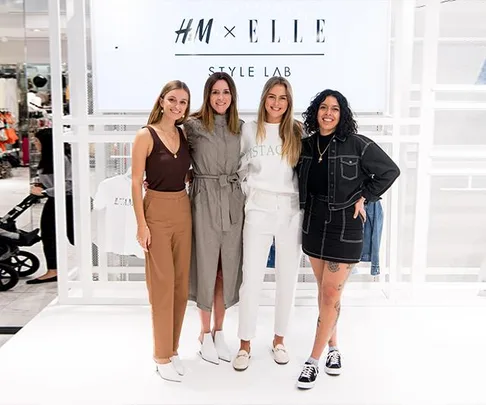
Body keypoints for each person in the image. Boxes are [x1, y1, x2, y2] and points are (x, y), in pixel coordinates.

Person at [295, 89, 400, 389]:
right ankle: (333, 348)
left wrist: (365, 196)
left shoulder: (357, 144)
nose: (328, 113)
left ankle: (312, 361)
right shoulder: (305, 145)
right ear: (315, 112)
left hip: (346, 225)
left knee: (330, 295)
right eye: (323, 107)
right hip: (314, 223)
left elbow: (390, 171)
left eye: (335, 109)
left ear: (342, 116)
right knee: (326, 292)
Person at [233, 77, 303, 371]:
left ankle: (279, 339)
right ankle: (245, 343)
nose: (277, 103)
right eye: (272, 97)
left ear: (289, 102)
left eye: (283, 98)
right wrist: (250, 193)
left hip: (290, 209)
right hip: (259, 209)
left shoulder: (297, 131)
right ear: (264, 99)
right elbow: (238, 167)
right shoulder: (249, 129)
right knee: (252, 278)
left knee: (287, 278)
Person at [131, 80, 191, 383]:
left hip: (184, 209)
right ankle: (160, 354)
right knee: (162, 285)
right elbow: (134, 182)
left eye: (182, 102)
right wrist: (142, 225)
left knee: (181, 286)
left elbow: (186, 172)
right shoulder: (146, 135)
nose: (177, 106)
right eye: (172, 100)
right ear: (161, 101)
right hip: (156, 209)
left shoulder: (183, 133)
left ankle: (173, 348)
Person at [184, 72, 244, 365]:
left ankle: (220, 331)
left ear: (233, 97)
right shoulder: (192, 127)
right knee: (205, 266)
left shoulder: (239, 128)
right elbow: (175, 156)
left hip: (233, 202)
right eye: (215, 92)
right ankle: (203, 333)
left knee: (225, 268)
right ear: (207, 96)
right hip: (203, 200)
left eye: (226, 92)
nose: (221, 98)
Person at [26, 128, 74, 284]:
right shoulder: (49, 158)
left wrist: (45, 191)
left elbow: (69, 184)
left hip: (67, 200)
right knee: (48, 234)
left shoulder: (62, 158)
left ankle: (101, 262)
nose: (35, 143)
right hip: (55, 199)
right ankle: (53, 270)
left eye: (37, 141)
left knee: (74, 236)